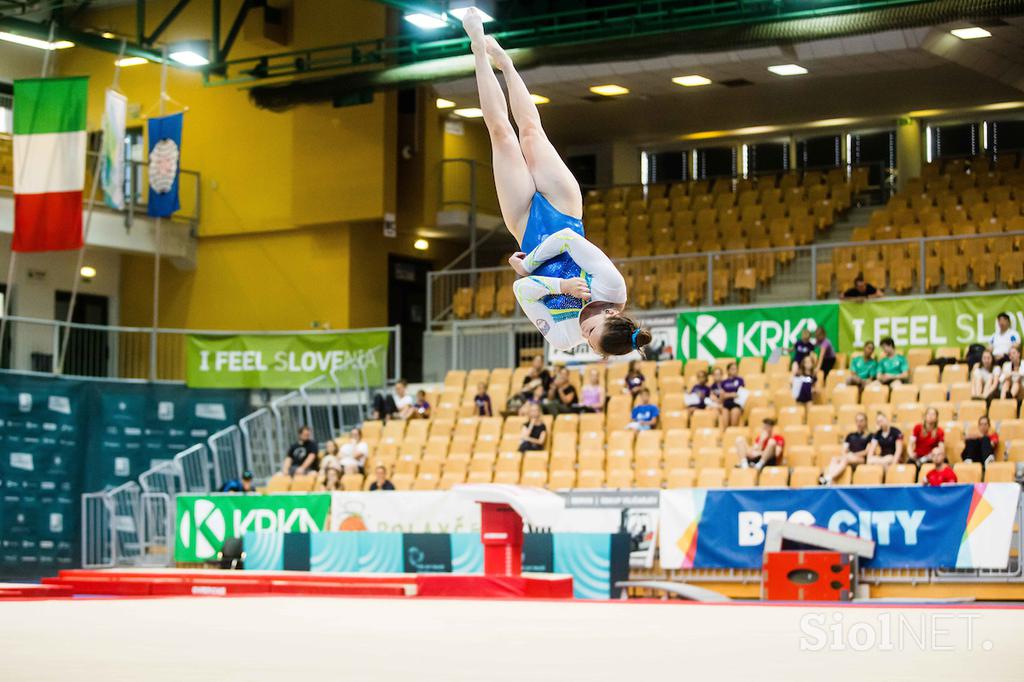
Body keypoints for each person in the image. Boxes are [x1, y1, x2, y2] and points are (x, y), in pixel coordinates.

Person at [462, 10, 650, 356]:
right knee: (531, 133)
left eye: (588, 339)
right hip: (564, 211)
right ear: (613, 313)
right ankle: (506, 63)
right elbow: (565, 240)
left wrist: (556, 284)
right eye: (592, 328)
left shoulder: (564, 338)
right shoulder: (612, 288)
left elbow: (523, 293)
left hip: (524, 228)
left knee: (502, 135)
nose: (584, 329)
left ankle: (476, 46)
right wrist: (531, 267)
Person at [823, 413, 872, 485]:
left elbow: (867, 451)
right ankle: (830, 479)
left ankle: (829, 477)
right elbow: (844, 449)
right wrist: (846, 455)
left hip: (861, 458)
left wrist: (853, 454)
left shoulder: (870, 435)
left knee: (846, 459)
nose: (859, 423)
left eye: (861, 421)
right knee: (834, 459)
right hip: (849, 457)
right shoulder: (850, 435)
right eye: (857, 421)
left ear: (866, 422)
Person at [717, 362, 746, 428]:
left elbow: (739, 394)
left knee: (733, 425)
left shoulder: (740, 380)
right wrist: (731, 395)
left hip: (736, 404)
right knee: (725, 425)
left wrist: (727, 395)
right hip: (726, 405)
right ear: (728, 370)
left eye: (736, 369)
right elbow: (721, 396)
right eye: (732, 369)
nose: (735, 371)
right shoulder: (723, 382)